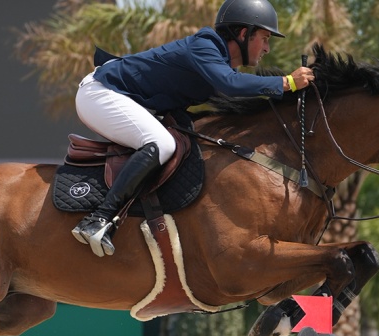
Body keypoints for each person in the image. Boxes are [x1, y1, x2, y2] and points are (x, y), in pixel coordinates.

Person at [72, 0, 315, 257]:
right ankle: (98, 219)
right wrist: (287, 82)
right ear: (244, 34)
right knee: (162, 144)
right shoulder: (205, 45)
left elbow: (235, 89)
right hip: (100, 93)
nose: (266, 48)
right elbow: (231, 84)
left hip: (119, 96)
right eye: (265, 38)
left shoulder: (218, 61)